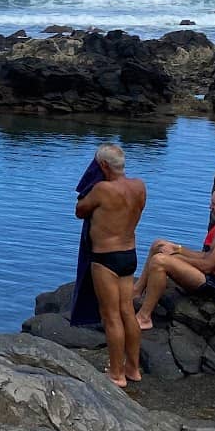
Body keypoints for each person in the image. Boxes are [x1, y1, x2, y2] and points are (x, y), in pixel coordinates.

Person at [135, 187, 215, 330]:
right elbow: (207, 256)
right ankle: (136, 291)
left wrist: (173, 257)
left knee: (160, 261)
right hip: (210, 274)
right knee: (159, 245)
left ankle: (144, 318)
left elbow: (207, 266)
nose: (210, 207)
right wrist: (178, 249)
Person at [75, 143, 146, 387]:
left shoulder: (102, 189)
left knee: (111, 316)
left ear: (103, 166)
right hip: (129, 254)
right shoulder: (139, 186)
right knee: (127, 310)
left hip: (105, 258)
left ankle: (116, 374)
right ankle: (133, 369)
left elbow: (80, 210)